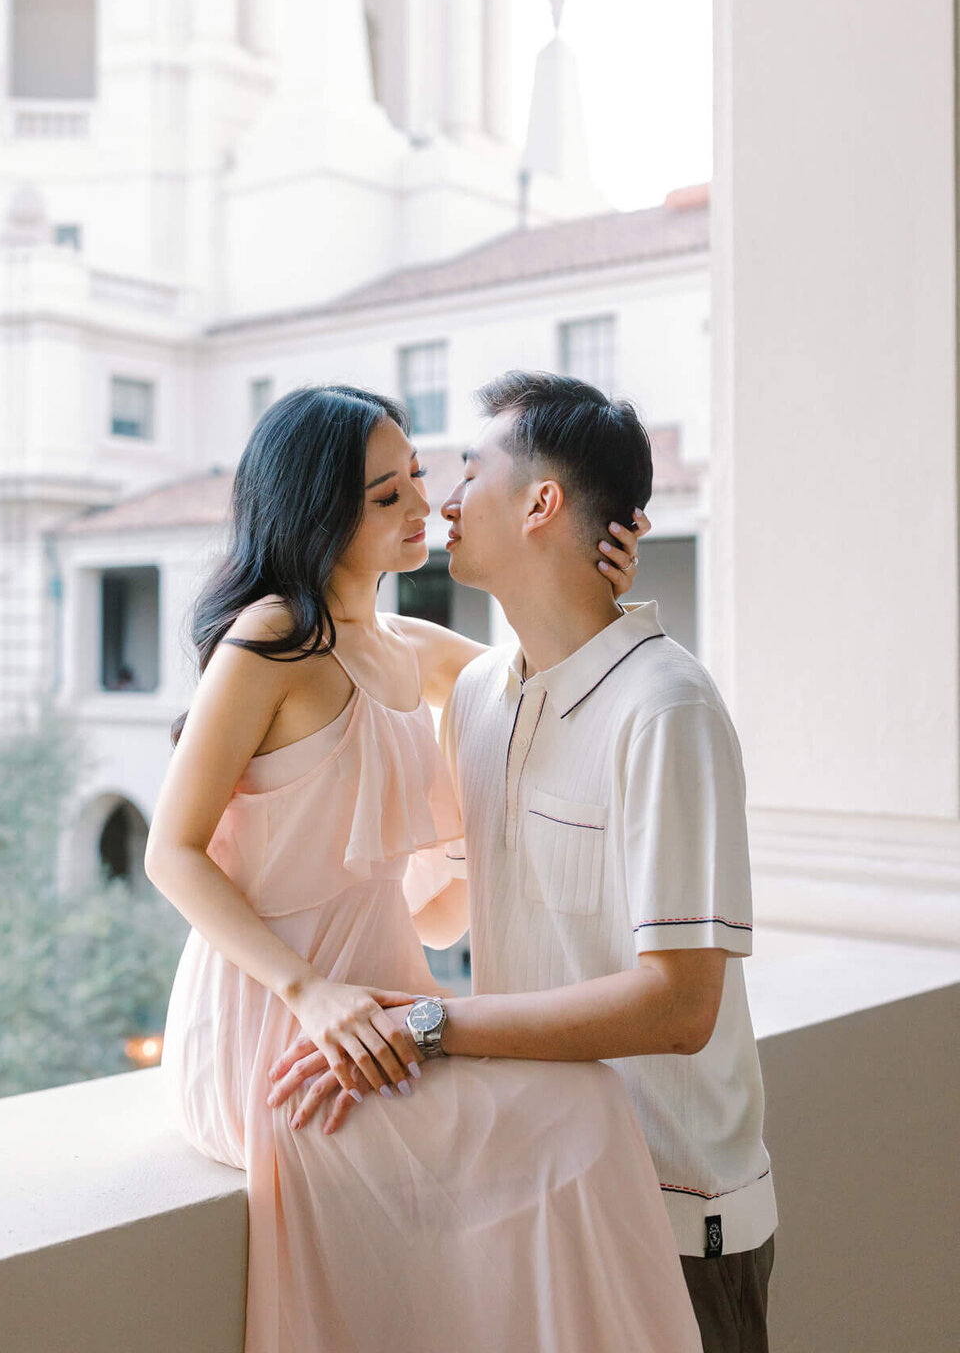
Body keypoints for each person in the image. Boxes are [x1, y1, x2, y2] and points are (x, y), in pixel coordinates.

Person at [147, 383, 702, 1353]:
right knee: (582, 1110)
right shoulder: (272, 639)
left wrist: (591, 573)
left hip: (391, 1010)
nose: (424, 507)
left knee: (590, 1111)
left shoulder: (408, 647)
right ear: (318, 508)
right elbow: (171, 851)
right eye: (385, 495)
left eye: (417, 478)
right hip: (279, 1022)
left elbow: (550, 661)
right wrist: (311, 993)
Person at [271, 372, 777, 1353]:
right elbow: (440, 914)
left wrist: (425, 1026)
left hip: (674, 1216)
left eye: (469, 470)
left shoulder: (668, 710)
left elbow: (679, 1007)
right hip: (534, 1178)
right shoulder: (477, 700)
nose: (443, 501)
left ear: (543, 501)